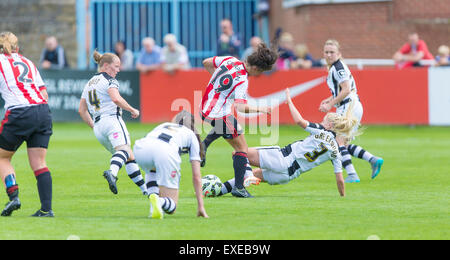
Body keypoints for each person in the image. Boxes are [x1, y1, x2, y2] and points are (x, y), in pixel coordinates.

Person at [219, 89, 354, 197]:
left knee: (239, 153)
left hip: (283, 158)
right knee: (252, 174)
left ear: (330, 125)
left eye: (324, 121)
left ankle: (247, 175)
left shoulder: (322, 131)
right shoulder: (336, 152)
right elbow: (340, 179)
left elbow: (300, 121)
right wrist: (342, 197)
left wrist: (289, 101)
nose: (322, 123)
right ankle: (218, 191)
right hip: (288, 175)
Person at [200, 43, 278, 198]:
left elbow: (206, 62)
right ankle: (238, 188)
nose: (258, 75)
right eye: (260, 72)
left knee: (230, 129)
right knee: (242, 148)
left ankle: (203, 145)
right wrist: (260, 109)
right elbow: (241, 108)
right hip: (219, 113)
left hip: (205, 108)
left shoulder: (230, 60)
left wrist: (218, 83)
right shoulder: (242, 79)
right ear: (255, 68)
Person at [0, 31, 54, 217]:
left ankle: (13, 196)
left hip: (19, 112)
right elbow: (44, 94)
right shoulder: (28, 62)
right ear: (16, 46)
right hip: (42, 111)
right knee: (39, 163)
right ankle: (46, 210)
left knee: (2, 157)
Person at [78, 50, 146, 195]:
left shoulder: (89, 83)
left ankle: (146, 191)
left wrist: (94, 126)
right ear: (106, 66)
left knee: (128, 155)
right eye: (116, 66)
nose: (118, 69)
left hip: (99, 128)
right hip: (112, 120)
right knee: (124, 152)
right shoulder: (109, 80)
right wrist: (132, 109)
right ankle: (112, 172)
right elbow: (115, 98)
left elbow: (82, 110)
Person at [319, 39, 383, 183]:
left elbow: (346, 89)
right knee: (344, 143)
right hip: (351, 105)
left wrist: (330, 105)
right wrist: (329, 100)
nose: (329, 55)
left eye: (332, 52)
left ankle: (352, 175)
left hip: (349, 106)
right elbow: (342, 89)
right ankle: (373, 160)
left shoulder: (338, 67)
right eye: (326, 52)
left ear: (339, 53)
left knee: (337, 142)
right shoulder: (334, 67)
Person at [133, 110, 208, 219]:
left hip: (140, 148)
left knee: (151, 169)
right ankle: (159, 201)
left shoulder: (163, 125)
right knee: (172, 206)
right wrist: (201, 206)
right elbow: (196, 177)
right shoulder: (191, 135)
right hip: (165, 151)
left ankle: (153, 201)